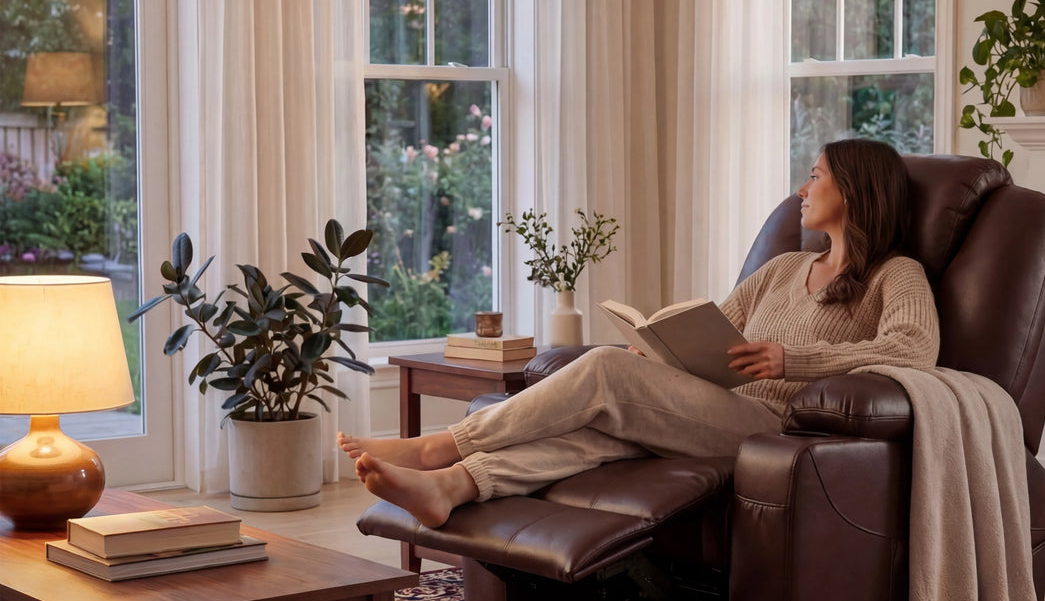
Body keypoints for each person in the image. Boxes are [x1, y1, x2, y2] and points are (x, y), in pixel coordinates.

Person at [341, 137, 940, 528]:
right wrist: (659, 351)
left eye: (815, 177)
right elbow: (716, 333)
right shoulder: (784, 268)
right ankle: (451, 486)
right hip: (718, 409)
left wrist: (792, 360)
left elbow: (914, 349)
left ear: (855, 191)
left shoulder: (895, 274)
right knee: (600, 430)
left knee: (604, 370)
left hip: (781, 431)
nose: (802, 191)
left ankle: (439, 446)